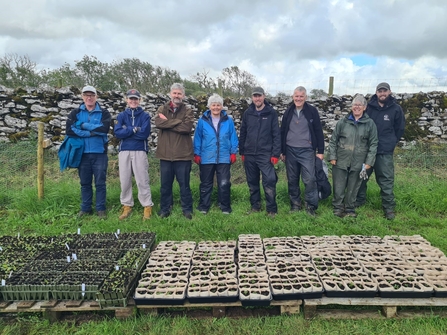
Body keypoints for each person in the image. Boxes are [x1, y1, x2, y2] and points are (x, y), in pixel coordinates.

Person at [355, 82, 406, 220]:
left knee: (386, 180)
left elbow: (399, 128)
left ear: (389, 92)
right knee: (361, 177)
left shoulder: (396, 109)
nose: (382, 94)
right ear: (376, 93)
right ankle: (358, 201)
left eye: (385, 91)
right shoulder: (369, 107)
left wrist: (391, 142)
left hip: (384, 151)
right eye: (380, 91)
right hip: (367, 150)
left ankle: (388, 207)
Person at [328, 94, 378, 218]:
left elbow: (373, 144)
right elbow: (334, 140)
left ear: (364, 108)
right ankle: (338, 207)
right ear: (351, 107)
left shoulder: (370, 124)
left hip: (359, 160)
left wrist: (369, 161)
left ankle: (350, 208)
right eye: (355, 105)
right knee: (338, 185)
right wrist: (332, 156)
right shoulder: (342, 122)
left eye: (359, 105)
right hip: (341, 158)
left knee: (354, 185)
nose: (357, 107)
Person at [65, 85, 111, 218]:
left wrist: (83, 126)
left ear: (96, 97)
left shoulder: (104, 112)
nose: (89, 97)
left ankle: (100, 209)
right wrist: (90, 133)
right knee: (85, 182)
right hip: (82, 153)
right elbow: (69, 130)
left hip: (99, 153)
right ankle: (85, 208)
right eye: (86, 95)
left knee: (100, 182)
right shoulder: (75, 113)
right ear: (82, 97)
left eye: (92, 95)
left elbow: (104, 129)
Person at [280, 86, 325, 216]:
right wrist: (282, 151)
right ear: (293, 97)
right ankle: (295, 204)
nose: (298, 98)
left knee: (310, 179)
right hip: (290, 150)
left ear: (305, 97)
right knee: (292, 179)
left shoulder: (312, 111)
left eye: (301, 96)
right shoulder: (288, 112)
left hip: (307, 151)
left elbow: (318, 131)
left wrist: (320, 151)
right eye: (296, 96)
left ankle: (311, 206)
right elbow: (282, 132)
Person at [193, 93, 239, 214]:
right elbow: (198, 138)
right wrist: (197, 153)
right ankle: (204, 206)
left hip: (224, 157)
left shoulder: (228, 120)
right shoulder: (202, 121)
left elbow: (233, 136)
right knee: (206, 183)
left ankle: (225, 206)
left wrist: (233, 152)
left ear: (222, 106)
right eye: (213, 105)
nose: (216, 108)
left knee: (224, 183)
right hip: (207, 157)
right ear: (209, 106)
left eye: (218, 105)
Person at [154, 83, 194, 219]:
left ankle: (187, 209)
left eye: (179, 93)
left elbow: (187, 128)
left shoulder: (187, 110)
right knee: (165, 185)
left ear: (183, 95)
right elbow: (158, 123)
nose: (177, 96)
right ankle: (165, 209)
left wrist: (169, 123)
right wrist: (178, 122)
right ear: (170, 94)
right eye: (175, 93)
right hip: (165, 154)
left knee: (184, 185)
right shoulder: (162, 108)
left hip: (183, 155)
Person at [239, 87, 280, 217]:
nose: (257, 98)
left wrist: (275, 154)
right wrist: (242, 151)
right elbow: (243, 132)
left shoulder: (271, 113)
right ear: (252, 97)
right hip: (249, 153)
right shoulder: (248, 113)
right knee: (252, 182)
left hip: (265, 153)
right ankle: (255, 206)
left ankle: (271, 209)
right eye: (255, 96)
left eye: (259, 96)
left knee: (269, 180)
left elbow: (276, 134)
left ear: (264, 96)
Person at [114, 89, 154, 220]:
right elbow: (118, 133)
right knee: (124, 180)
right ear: (127, 100)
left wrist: (127, 131)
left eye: (135, 99)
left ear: (139, 100)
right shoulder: (121, 116)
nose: (133, 101)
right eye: (131, 99)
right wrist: (134, 129)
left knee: (142, 179)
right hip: (124, 150)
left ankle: (147, 205)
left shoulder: (145, 116)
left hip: (139, 150)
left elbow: (144, 134)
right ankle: (127, 205)